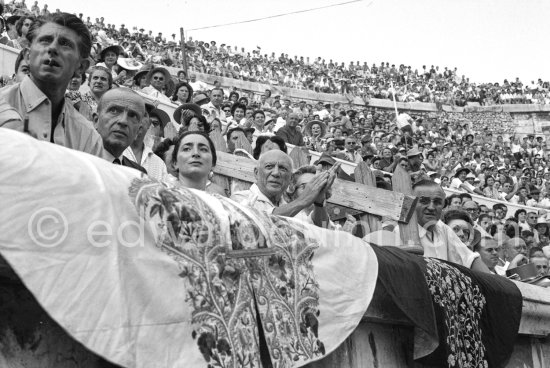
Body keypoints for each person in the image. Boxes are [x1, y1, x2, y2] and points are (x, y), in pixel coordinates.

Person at [0, 12, 105, 158]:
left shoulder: (88, 138)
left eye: (65, 44)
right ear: (28, 56)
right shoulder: (3, 104)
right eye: (45, 40)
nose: (53, 48)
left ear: (81, 67)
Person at [411, 179, 489, 272]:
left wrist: (495, 284)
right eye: (424, 201)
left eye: (437, 202)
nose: (431, 207)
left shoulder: (442, 228)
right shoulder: (396, 230)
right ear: (412, 201)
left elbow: (470, 259)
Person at [231, 150, 332, 217]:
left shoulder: (295, 211)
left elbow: (322, 229)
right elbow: (262, 221)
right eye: (269, 166)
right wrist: (302, 200)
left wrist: (319, 203)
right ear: (257, 173)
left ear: (290, 179)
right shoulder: (240, 199)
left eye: (283, 168)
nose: (276, 173)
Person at [94, 88, 147, 173]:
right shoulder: (74, 158)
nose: (123, 121)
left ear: (138, 131)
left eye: (133, 115)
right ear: (96, 120)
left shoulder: (138, 173)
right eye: (114, 111)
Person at [170, 131, 226, 196]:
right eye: (187, 149)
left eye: (203, 149)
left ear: (213, 163)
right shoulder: (159, 196)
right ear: (175, 162)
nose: (196, 153)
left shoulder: (220, 203)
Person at [123, 108, 168, 181]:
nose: (138, 119)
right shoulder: (113, 150)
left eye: (143, 115)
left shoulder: (159, 164)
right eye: (133, 114)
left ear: (149, 123)